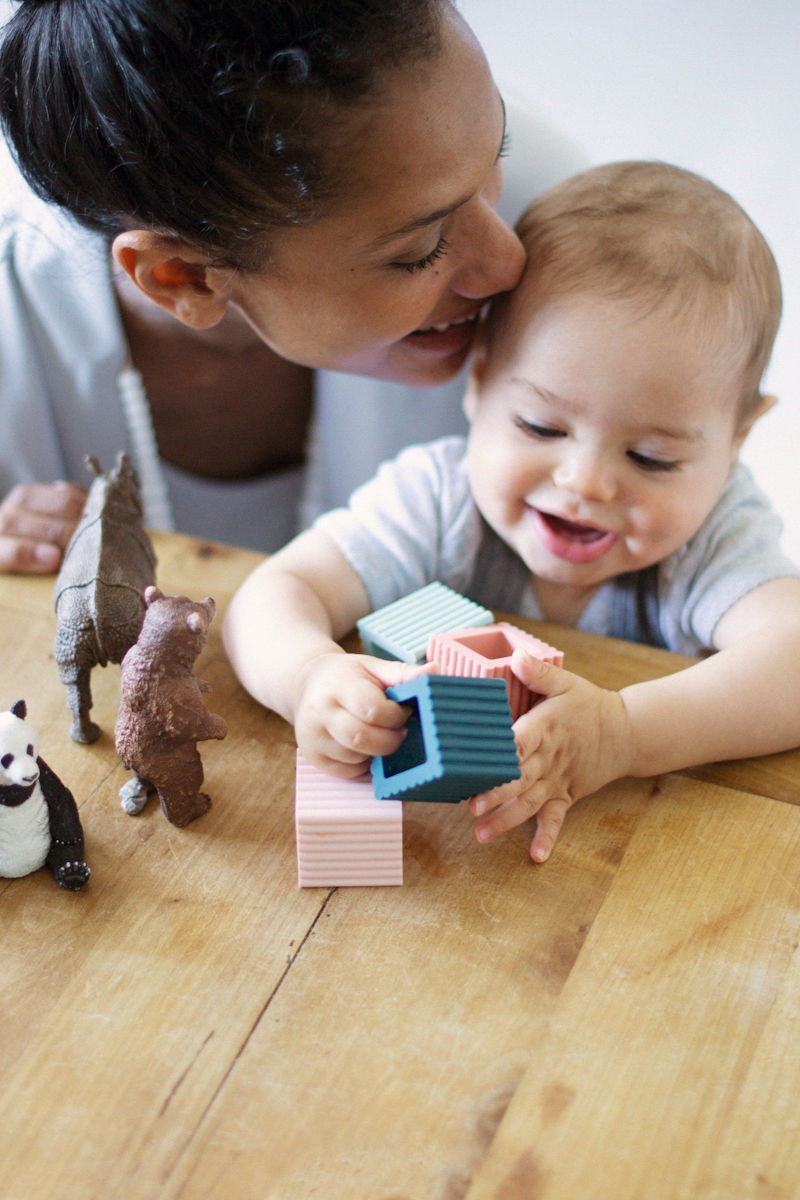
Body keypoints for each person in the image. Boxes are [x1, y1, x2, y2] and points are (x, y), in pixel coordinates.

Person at [221, 161, 800, 864]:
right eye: (541, 427)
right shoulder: (438, 497)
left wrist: (623, 733)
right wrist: (307, 675)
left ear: (737, 439)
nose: (584, 482)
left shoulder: (712, 534)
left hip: (641, 865)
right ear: (481, 378)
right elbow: (276, 593)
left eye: (650, 458)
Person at [0, 0, 582, 572]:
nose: (510, 263)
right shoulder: (15, 341)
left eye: (496, 160)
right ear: (185, 279)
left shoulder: (563, 216)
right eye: (419, 251)